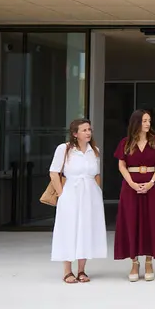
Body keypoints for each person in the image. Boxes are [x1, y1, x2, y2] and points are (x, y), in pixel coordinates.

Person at [50, 118, 106, 283]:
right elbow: (54, 172)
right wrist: (62, 194)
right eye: (84, 130)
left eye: (89, 129)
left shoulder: (94, 150)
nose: (88, 133)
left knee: (86, 229)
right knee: (68, 228)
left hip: (90, 194)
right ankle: (67, 270)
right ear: (75, 134)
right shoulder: (65, 149)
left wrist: (98, 191)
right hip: (71, 192)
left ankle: (82, 270)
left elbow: (96, 174)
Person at [113, 109, 155, 282]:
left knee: (152, 222)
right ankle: (134, 262)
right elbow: (121, 165)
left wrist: (151, 182)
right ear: (136, 122)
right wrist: (132, 183)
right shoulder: (125, 142)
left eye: (149, 121)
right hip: (131, 187)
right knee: (131, 221)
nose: (148, 124)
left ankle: (149, 261)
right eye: (144, 120)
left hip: (152, 186)